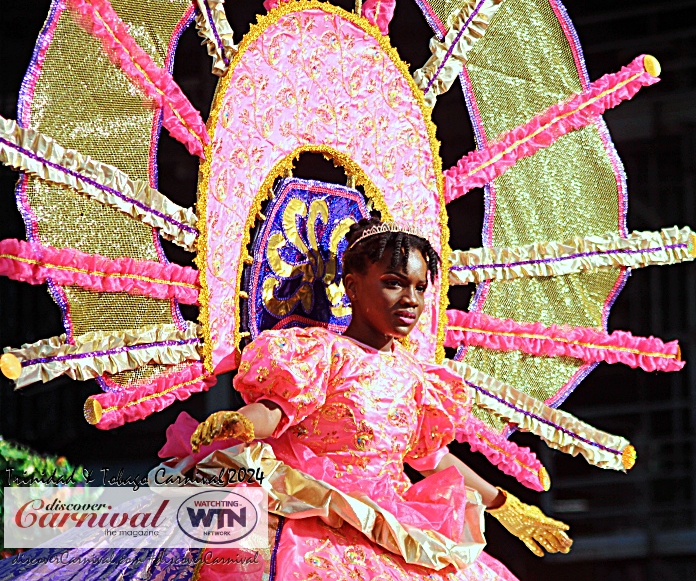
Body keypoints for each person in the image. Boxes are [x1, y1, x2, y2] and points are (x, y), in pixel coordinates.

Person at [183, 218, 573, 579]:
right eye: (394, 282)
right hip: (315, 515)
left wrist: (504, 504)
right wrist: (243, 421)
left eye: (420, 288)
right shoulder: (323, 353)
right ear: (352, 286)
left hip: (396, 521)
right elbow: (277, 409)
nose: (411, 300)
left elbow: (430, 457)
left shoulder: (419, 377)